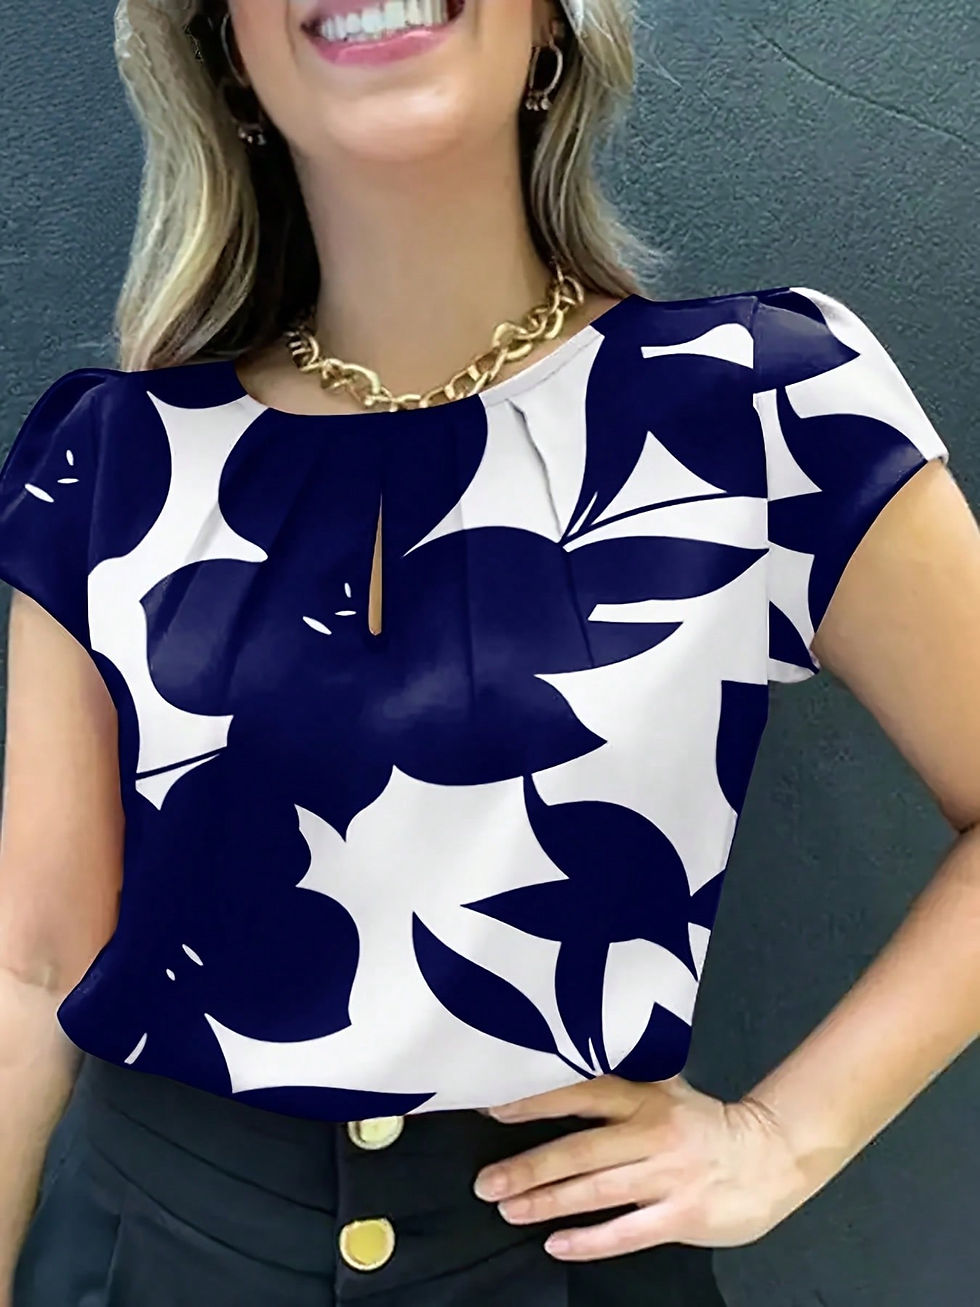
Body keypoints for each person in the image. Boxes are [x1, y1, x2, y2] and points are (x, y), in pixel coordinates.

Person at [0, 0, 978, 1304]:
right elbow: (31, 968)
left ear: (556, 27)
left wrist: (785, 1138)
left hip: (566, 1259)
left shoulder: (761, 410)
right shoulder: (114, 460)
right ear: (226, 56)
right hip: (147, 1259)